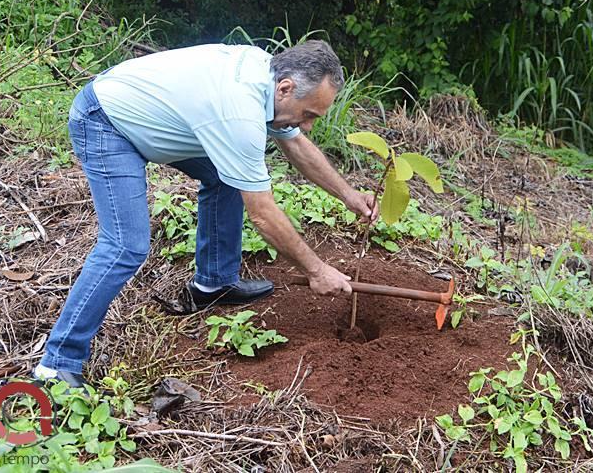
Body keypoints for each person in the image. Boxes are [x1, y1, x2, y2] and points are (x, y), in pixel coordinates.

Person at [33, 40, 379, 387]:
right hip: (107, 121)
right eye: (308, 115)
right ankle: (57, 362)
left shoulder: (269, 78)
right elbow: (262, 214)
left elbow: (296, 143)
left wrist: (349, 195)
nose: (307, 126)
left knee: (223, 174)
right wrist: (316, 270)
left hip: (145, 109)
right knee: (126, 246)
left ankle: (213, 283)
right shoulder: (239, 112)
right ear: (286, 88)